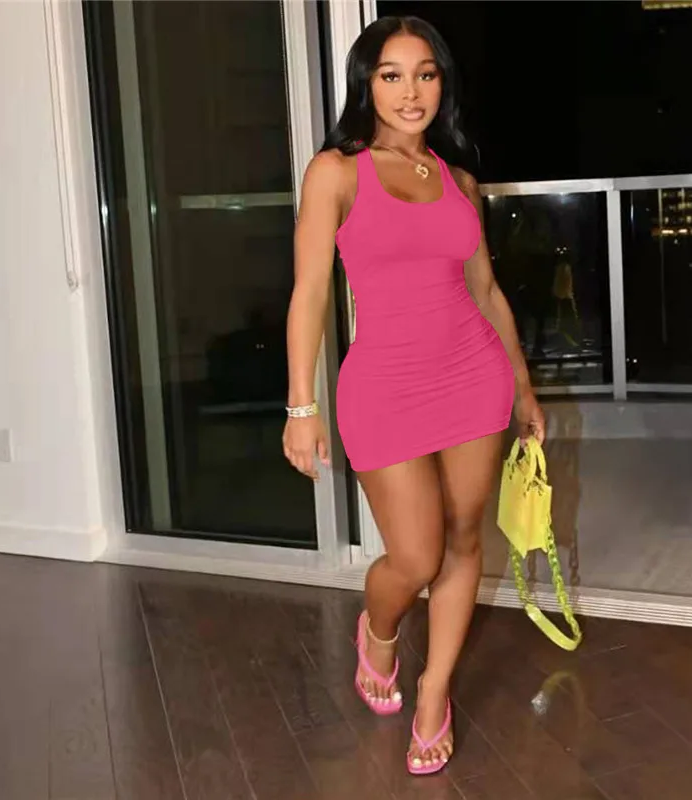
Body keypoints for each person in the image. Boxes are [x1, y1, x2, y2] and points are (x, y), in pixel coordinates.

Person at [282, 15, 545, 775]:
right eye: (391, 75)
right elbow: (309, 293)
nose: (410, 91)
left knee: (464, 541)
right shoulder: (336, 172)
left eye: (425, 74)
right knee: (416, 555)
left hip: (474, 376)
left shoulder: (459, 182)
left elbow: (486, 291)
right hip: (384, 387)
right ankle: (380, 630)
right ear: (366, 83)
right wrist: (301, 406)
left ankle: (434, 693)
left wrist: (523, 388)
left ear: (442, 84)